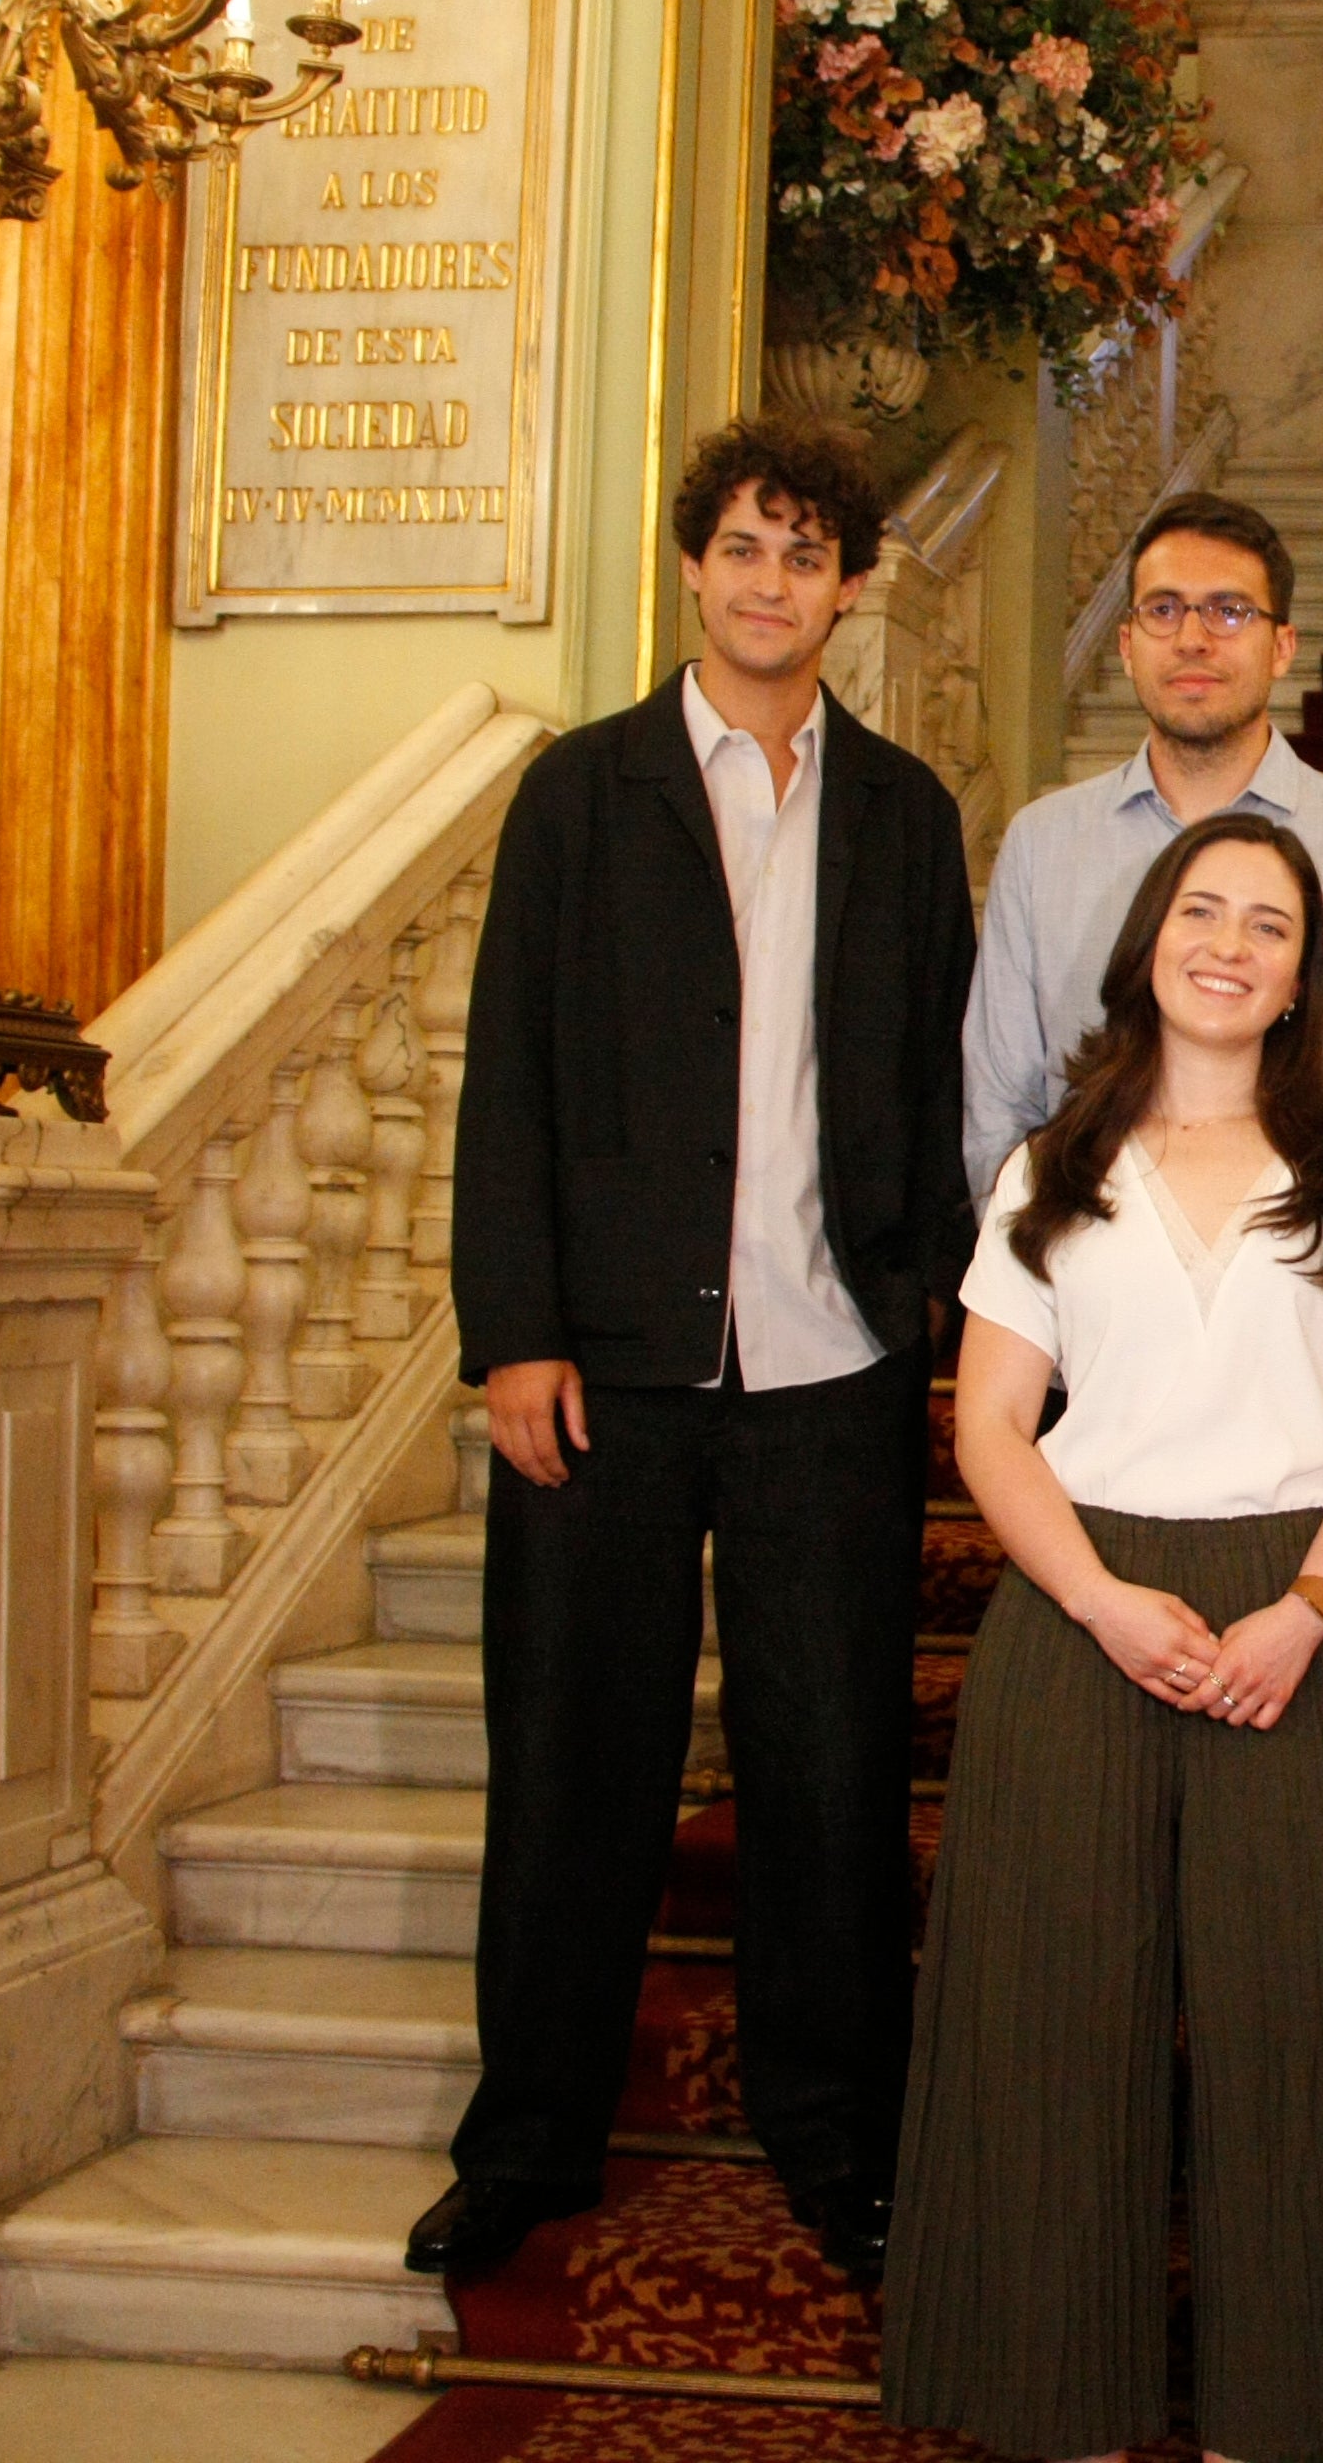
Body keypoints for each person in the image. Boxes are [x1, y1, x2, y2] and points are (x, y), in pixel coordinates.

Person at [434, 414, 977, 2287]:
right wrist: (509, 1330)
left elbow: (929, 1079)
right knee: (574, 1767)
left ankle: (838, 2142)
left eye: (805, 553)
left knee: (827, 1782)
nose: (770, 581)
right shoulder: (581, 794)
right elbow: (507, 1073)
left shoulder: (905, 811)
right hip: (604, 1375)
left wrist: (922, 1298)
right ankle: (526, 2142)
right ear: (692, 566)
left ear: (848, 585)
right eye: (742, 546)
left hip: (831, 1372)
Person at [890, 813, 1323, 2463]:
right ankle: (1054, 2399)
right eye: (1201, 908)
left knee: (1299, 2018)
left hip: (1297, 1600)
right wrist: (1098, 1599)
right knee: (1055, 2013)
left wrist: (1307, 1611)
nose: (1230, 941)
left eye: (1267, 924)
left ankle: (1281, 2417)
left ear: (1301, 977)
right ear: (1148, 939)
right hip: (1082, 1597)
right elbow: (990, 1419)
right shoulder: (1049, 1164)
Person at [967, 490, 1323, 1220]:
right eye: (1163, 609)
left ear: (1283, 647)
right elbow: (999, 1111)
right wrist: (1047, 1279)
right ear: (1127, 643)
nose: (1192, 638)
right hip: (1080, 1289)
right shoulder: (1042, 844)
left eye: (1229, 611)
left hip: (1309, 1285)